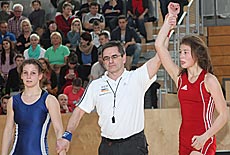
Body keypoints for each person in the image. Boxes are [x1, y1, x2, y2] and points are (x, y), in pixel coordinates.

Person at [56, 40, 161, 155]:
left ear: (124, 57)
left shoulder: (136, 78)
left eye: (114, 56)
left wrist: (168, 26)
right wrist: (67, 136)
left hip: (134, 146)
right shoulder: (96, 85)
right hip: (108, 147)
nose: (110, 61)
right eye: (106, 58)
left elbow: (158, 57)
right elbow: (79, 111)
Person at [155, 3, 229, 155]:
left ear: (197, 53)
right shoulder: (180, 78)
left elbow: (224, 115)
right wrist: (170, 19)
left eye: (186, 52)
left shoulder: (209, 80)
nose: (181, 56)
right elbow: (159, 46)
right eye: (180, 52)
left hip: (203, 140)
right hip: (184, 139)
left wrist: (205, 137)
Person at [1, 59, 65, 155]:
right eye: (25, 73)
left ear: (40, 76)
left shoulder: (49, 100)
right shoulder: (13, 101)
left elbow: (59, 130)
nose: (29, 77)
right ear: (21, 76)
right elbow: (8, 130)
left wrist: (62, 153)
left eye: (33, 73)